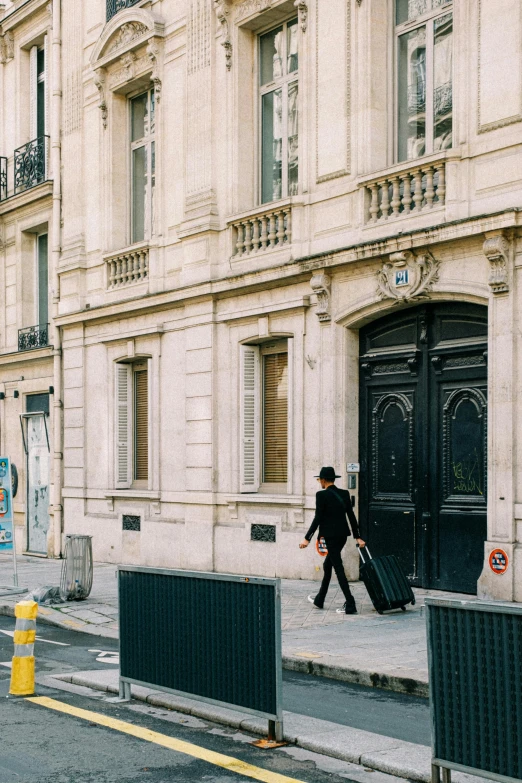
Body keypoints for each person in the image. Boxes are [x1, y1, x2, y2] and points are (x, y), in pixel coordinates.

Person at [299, 466, 365, 614]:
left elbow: (318, 518)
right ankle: (320, 599)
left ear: (323, 480)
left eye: (319, 480)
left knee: (338, 567)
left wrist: (306, 538)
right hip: (342, 536)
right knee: (327, 565)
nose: (319, 483)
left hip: (330, 537)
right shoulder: (344, 493)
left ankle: (350, 603)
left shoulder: (321, 495)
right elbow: (351, 516)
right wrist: (358, 536)